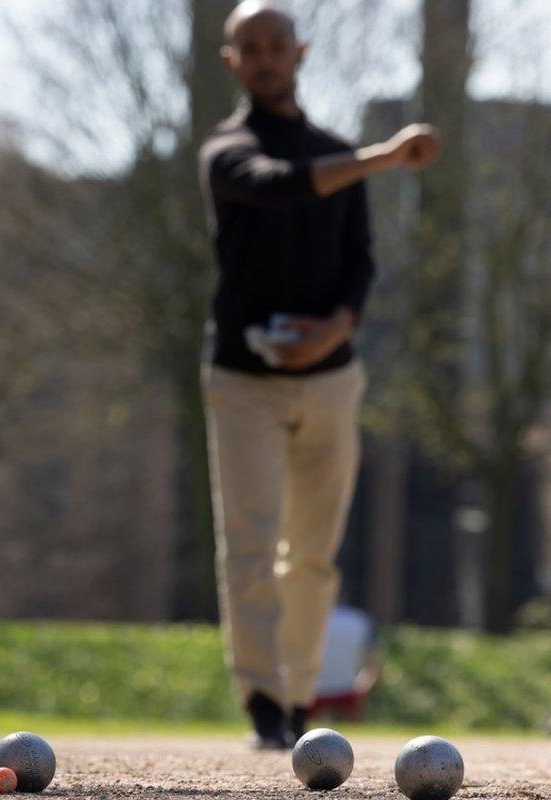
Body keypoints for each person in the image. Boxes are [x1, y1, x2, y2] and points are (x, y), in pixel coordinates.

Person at [197, 0, 440, 749]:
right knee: (250, 538)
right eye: (251, 48)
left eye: (278, 44)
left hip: (333, 380)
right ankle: (264, 701)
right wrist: (386, 156)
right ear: (231, 61)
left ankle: (300, 696)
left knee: (312, 551)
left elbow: (360, 263)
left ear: (299, 52)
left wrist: (332, 330)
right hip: (242, 380)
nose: (266, 57)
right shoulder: (226, 152)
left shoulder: (336, 149)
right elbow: (277, 185)